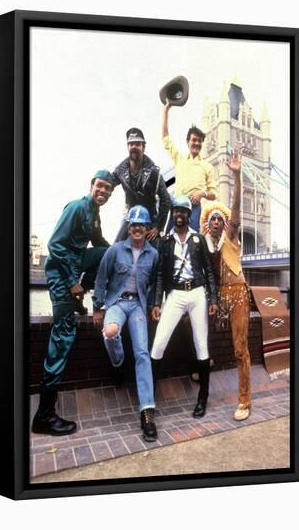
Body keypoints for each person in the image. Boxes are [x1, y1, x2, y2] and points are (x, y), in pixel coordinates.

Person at [32, 170, 114, 436]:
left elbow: (100, 246)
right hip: (58, 275)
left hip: (73, 268)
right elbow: (54, 244)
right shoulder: (78, 207)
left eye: (108, 189)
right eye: (99, 186)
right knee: (64, 334)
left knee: (106, 254)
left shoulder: (94, 213)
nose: (103, 191)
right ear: (91, 186)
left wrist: (122, 250)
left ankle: (78, 299)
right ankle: (44, 415)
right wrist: (71, 283)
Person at [92, 205, 159, 442]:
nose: (137, 228)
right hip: (117, 303)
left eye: (141, 225)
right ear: (129, 228)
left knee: (142, 353)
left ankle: (147, 413)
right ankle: (118, 361)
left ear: (147, 228)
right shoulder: (115, 251)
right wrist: (97, 307)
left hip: (138, 306)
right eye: (133, 225)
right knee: (110, 333)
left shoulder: (153, 254)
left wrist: (153, 305)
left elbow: (154, 283)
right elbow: (101, 279)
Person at [150, 195, 218, 417]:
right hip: (175, 294)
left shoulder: (198, 239)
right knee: (159, 343)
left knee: (201, 345)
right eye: (176, 211)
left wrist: (214, 300)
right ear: (173, 214)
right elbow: (160, 274)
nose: (179, 215)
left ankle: (203, 398)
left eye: (183, 211)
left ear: (189, 214)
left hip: (197, 293)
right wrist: (157, 302)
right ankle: (149, 398)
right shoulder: (165, 242)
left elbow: (209, 271)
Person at [200, 148, 252, 421]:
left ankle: (244, 400)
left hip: (238, 294)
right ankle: (199, 364)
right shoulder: (206, 247)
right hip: (219, 297)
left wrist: (237, 175)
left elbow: (236, 205)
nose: (218, 221)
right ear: (208, 226)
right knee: (192, 321)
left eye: (221, 218)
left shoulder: (231, 236)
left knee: (240, 348)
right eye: (213, 220)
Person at [162, 101, 217, 231]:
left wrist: (202, 193)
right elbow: (165, 137)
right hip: (176, 206)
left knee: (192, 241)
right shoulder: (179, 159)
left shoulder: (207, 166)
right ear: (188, 142)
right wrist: (165, 111)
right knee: (169, 238)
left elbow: (213, 194)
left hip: (194, 208)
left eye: (199, 141)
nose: (196, 143)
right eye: (194, 140)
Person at [112, 127, 171, 243]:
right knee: (116, 247)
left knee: (155, 251)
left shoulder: (154, 172)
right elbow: (107, 184)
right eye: (131, 144)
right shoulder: (120, 170)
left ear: (143, 147)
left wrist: (158, 227)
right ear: (128, 147)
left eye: (137, 144)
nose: (134, 147)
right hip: (130, 217)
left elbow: (166, 200)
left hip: (149, 218)